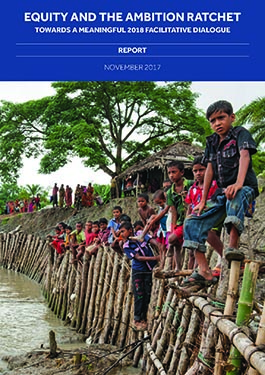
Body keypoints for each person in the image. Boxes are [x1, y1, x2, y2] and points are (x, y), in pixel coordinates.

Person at [182, 100, 259, 288]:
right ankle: (204, 271)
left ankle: (232, 249)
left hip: (244, 188)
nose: (217, 123)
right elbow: (209, 169)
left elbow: (245, 156)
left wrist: (239, 184)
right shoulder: (212, 142)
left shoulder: (240, 133)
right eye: (212, 120)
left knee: (235, 196)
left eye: (221, 118)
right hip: (222, 193)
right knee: (192, 222)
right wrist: (203, 200)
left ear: (231, 117)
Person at [184, 156, 224, 271]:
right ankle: (198, 269)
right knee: (193, 246)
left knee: (206, 232)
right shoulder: (192, 189)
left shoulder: (215, 185)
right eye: (195, 171)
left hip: (213, 219)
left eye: (201, 170)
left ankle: (223, 256)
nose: (198, 173)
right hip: (198, 220)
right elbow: (190, 206)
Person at [120, 221, 160, 330]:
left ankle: (144, 318)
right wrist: (156, 258)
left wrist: (160, 246)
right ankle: (137, 319)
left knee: (147, 294)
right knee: (139, 295)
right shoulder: (127, 245)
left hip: (149, 270)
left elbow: (152, 241)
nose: (122, 234)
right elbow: (138, 258)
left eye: (123, 231)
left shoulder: (140, 234)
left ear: (130, 230)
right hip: (138, 271)